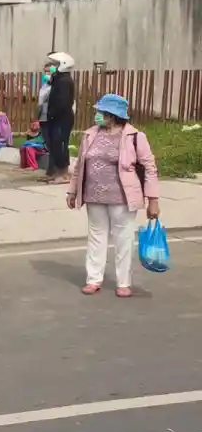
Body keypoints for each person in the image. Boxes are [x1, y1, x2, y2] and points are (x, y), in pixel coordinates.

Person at [68, 94, 160, 298]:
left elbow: (150, 168)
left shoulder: (134, 137)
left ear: (112, 115)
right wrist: (73, 191)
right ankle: (93, 279)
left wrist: (153, 200)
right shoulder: (90, 134)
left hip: (122, 198)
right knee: (96, 237)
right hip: (94, 197)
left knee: (123, 239)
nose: (97, 115)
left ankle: (124, 282)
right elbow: (79, 167)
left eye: (100, 112)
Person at [42, 52, 76, 184]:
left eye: (55, 65)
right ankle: (56, 172)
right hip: (55, 118)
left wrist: (52, 113)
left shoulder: (65, 81)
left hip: (62, 118)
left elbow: (62, 102)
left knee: (61, 145)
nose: (52, 67)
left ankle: (64, 174)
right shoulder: (59, 79)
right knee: (55, 145)